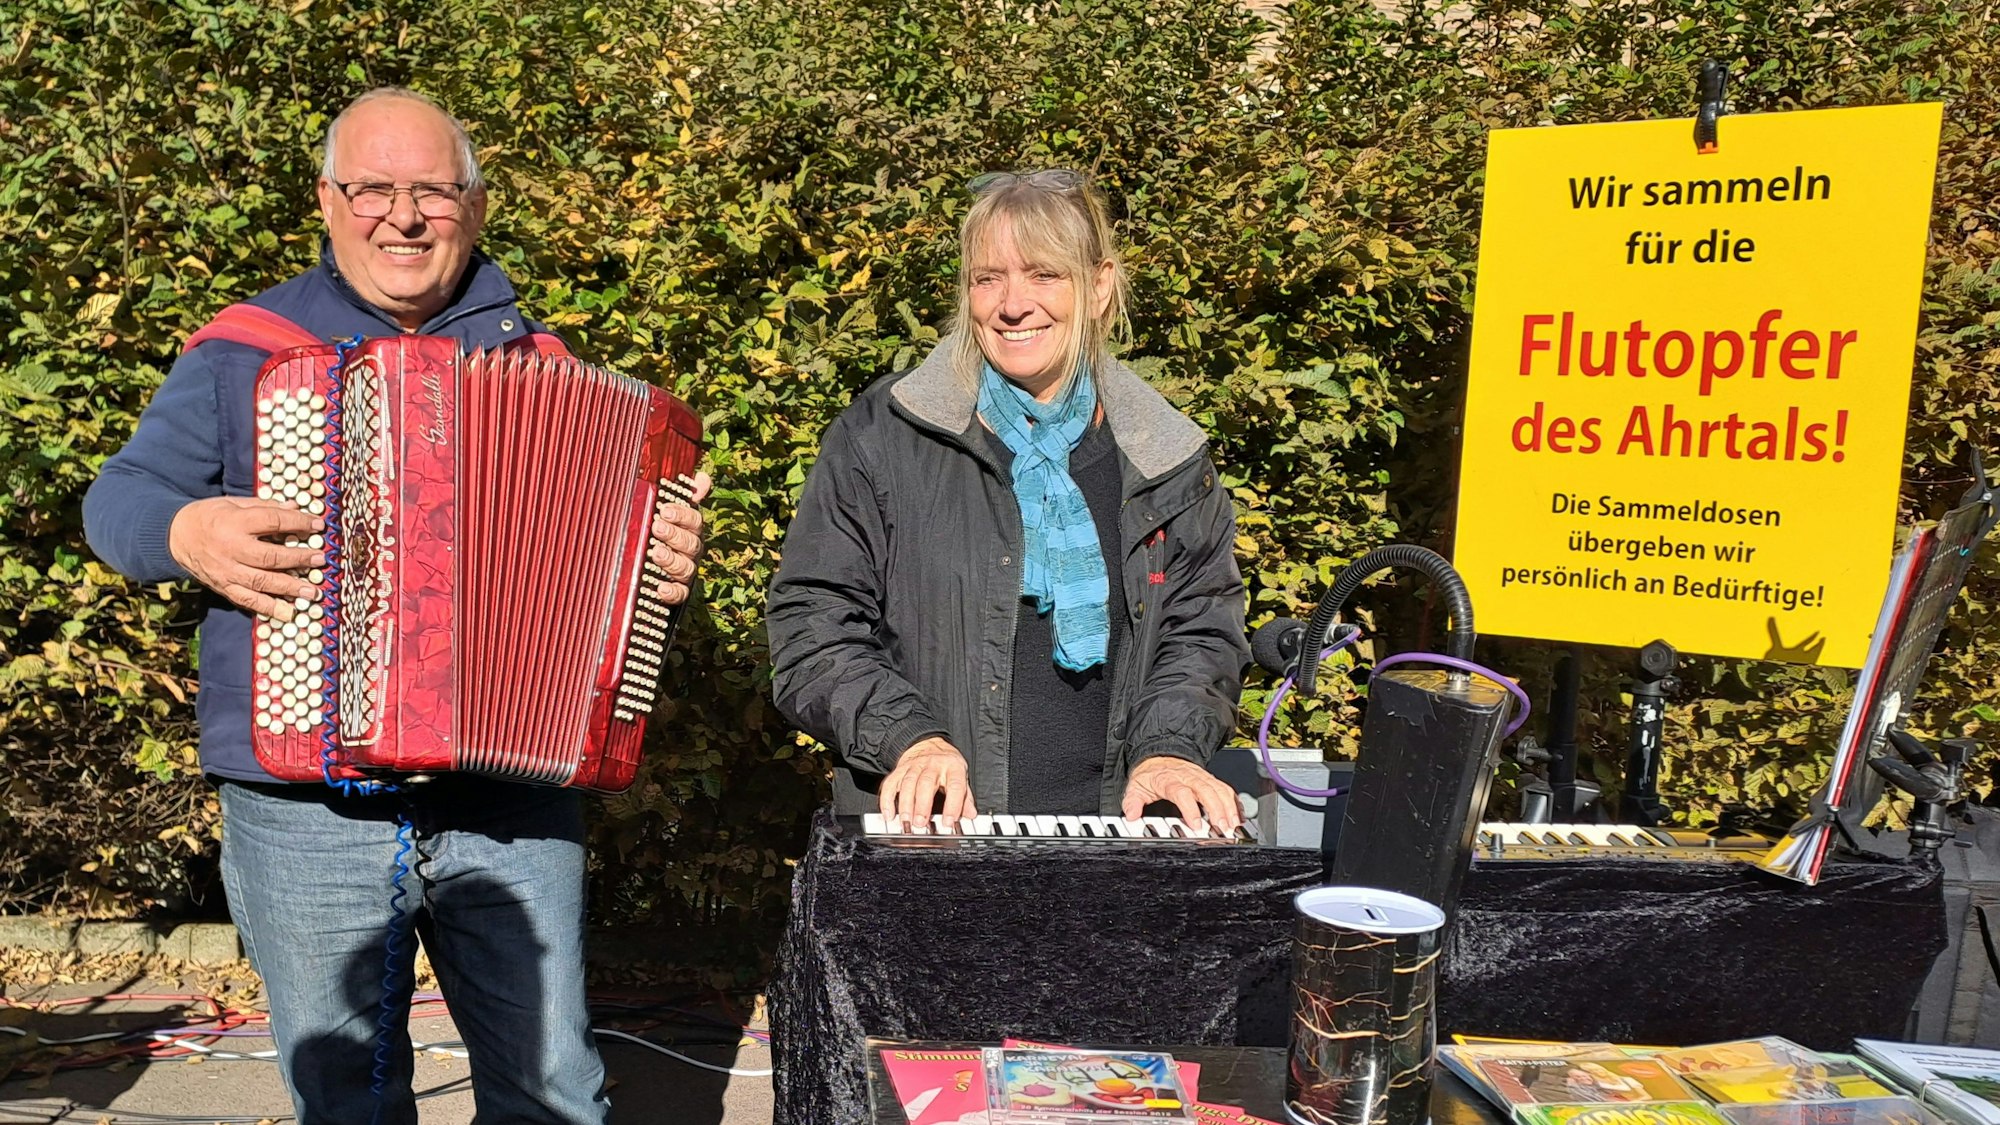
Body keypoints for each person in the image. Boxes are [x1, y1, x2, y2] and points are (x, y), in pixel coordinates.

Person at [81, 87, 710, 1125]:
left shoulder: (541, 367)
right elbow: (119, 501)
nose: (403, 217)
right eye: (372, 189)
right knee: (347, 1098)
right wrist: (185, 532)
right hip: (304, 803)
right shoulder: (247, 349)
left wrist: (658, 568)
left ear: (475, 204)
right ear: (328, 201)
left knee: (553, 1088)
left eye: (433, 191)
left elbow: (602, 607)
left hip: (506, 801)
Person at [765, 168, 1249, 833]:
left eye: (1044, 274)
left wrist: (1169, 749)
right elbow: (812, 624)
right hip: (926, 841)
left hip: (1117, 844)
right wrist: (910, 738)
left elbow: (1200, 634)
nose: (1012, 304)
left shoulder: (1165, 458)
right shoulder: (883, 436)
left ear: (1099, 285)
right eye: (988, 278)